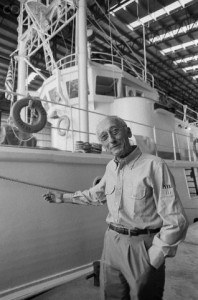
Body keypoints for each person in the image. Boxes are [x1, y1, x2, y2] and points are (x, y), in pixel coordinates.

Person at [43, 115, 188, 300]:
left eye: (115, 131)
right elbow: (97, 194)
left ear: (127, 132)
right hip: (112, 243)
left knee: (145, 296)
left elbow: (176, 221)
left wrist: (155, 257)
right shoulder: (111, 167)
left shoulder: (154, 165)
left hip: (142, 247)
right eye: (104, 137)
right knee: (111, 295)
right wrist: (63, 197)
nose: (111, 139)